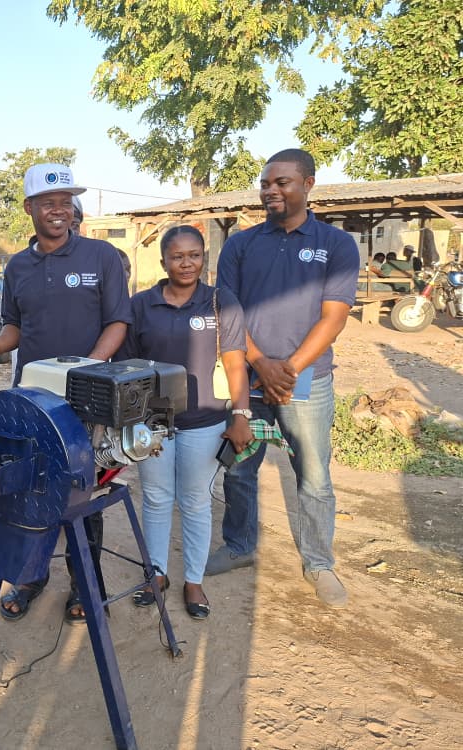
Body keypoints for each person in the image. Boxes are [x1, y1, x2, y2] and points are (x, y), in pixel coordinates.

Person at [0, 163, 132, 623]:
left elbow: (118, 322)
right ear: (29, 208)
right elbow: (15, 326)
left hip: (88, 399)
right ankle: (31, 576)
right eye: (48, 203)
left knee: (85, 492)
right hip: (34, 400)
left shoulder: (101, 256)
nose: (58, 210)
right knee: (31, 487)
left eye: (65, 202)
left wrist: (88, 368)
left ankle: (86, 583)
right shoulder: (18, 267)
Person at [208, 148, 359, 609]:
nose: (270, 190)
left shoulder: (336, 244)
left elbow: (334, 318)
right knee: (240, 467)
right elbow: (228, 313)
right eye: (265, 183)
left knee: (313, 475)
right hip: (249, 378)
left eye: (281, 182)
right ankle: (239, 546)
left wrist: (288, 370)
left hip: (306, 380)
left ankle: (319, 562)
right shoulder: (240, 245)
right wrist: (260, 362)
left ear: (308, 185)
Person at [121, 226, 252, 620]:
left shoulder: (220, 302)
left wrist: (241, 415)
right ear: (163, 262)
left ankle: (193, 580)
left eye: (194, 255)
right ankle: (156, 574)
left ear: (204, 258)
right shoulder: (140, 305)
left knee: (195, 501)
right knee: (157, 498)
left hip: (204, 421)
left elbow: (235, 363)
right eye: (177, 256)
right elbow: (127, 369)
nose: (186, 263)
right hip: (152, 423)